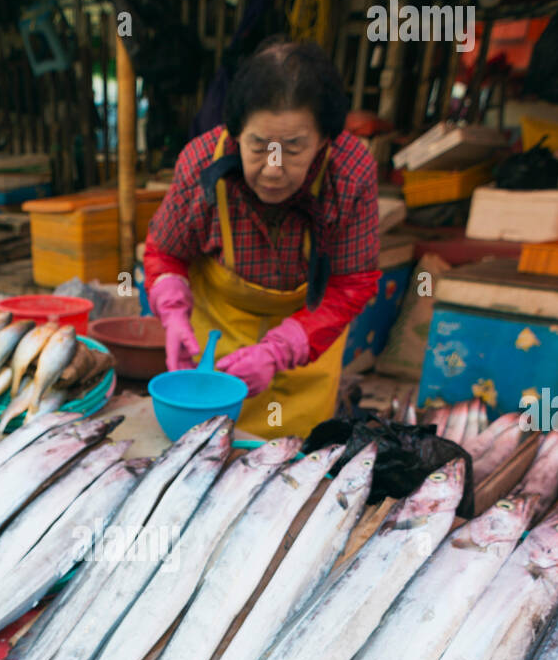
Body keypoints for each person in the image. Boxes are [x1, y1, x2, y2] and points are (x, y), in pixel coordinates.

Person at [144, 38, 381, 438]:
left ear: (325, 138)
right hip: (213, 355)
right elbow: (165, 253)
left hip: (307, 353)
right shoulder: (200, 162)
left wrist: (280, 349)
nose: (273, 169)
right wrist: (171, 310)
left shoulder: (351, 172)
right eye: (258, 146)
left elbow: (351, 284)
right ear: (235, 133)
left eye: (293, 148)